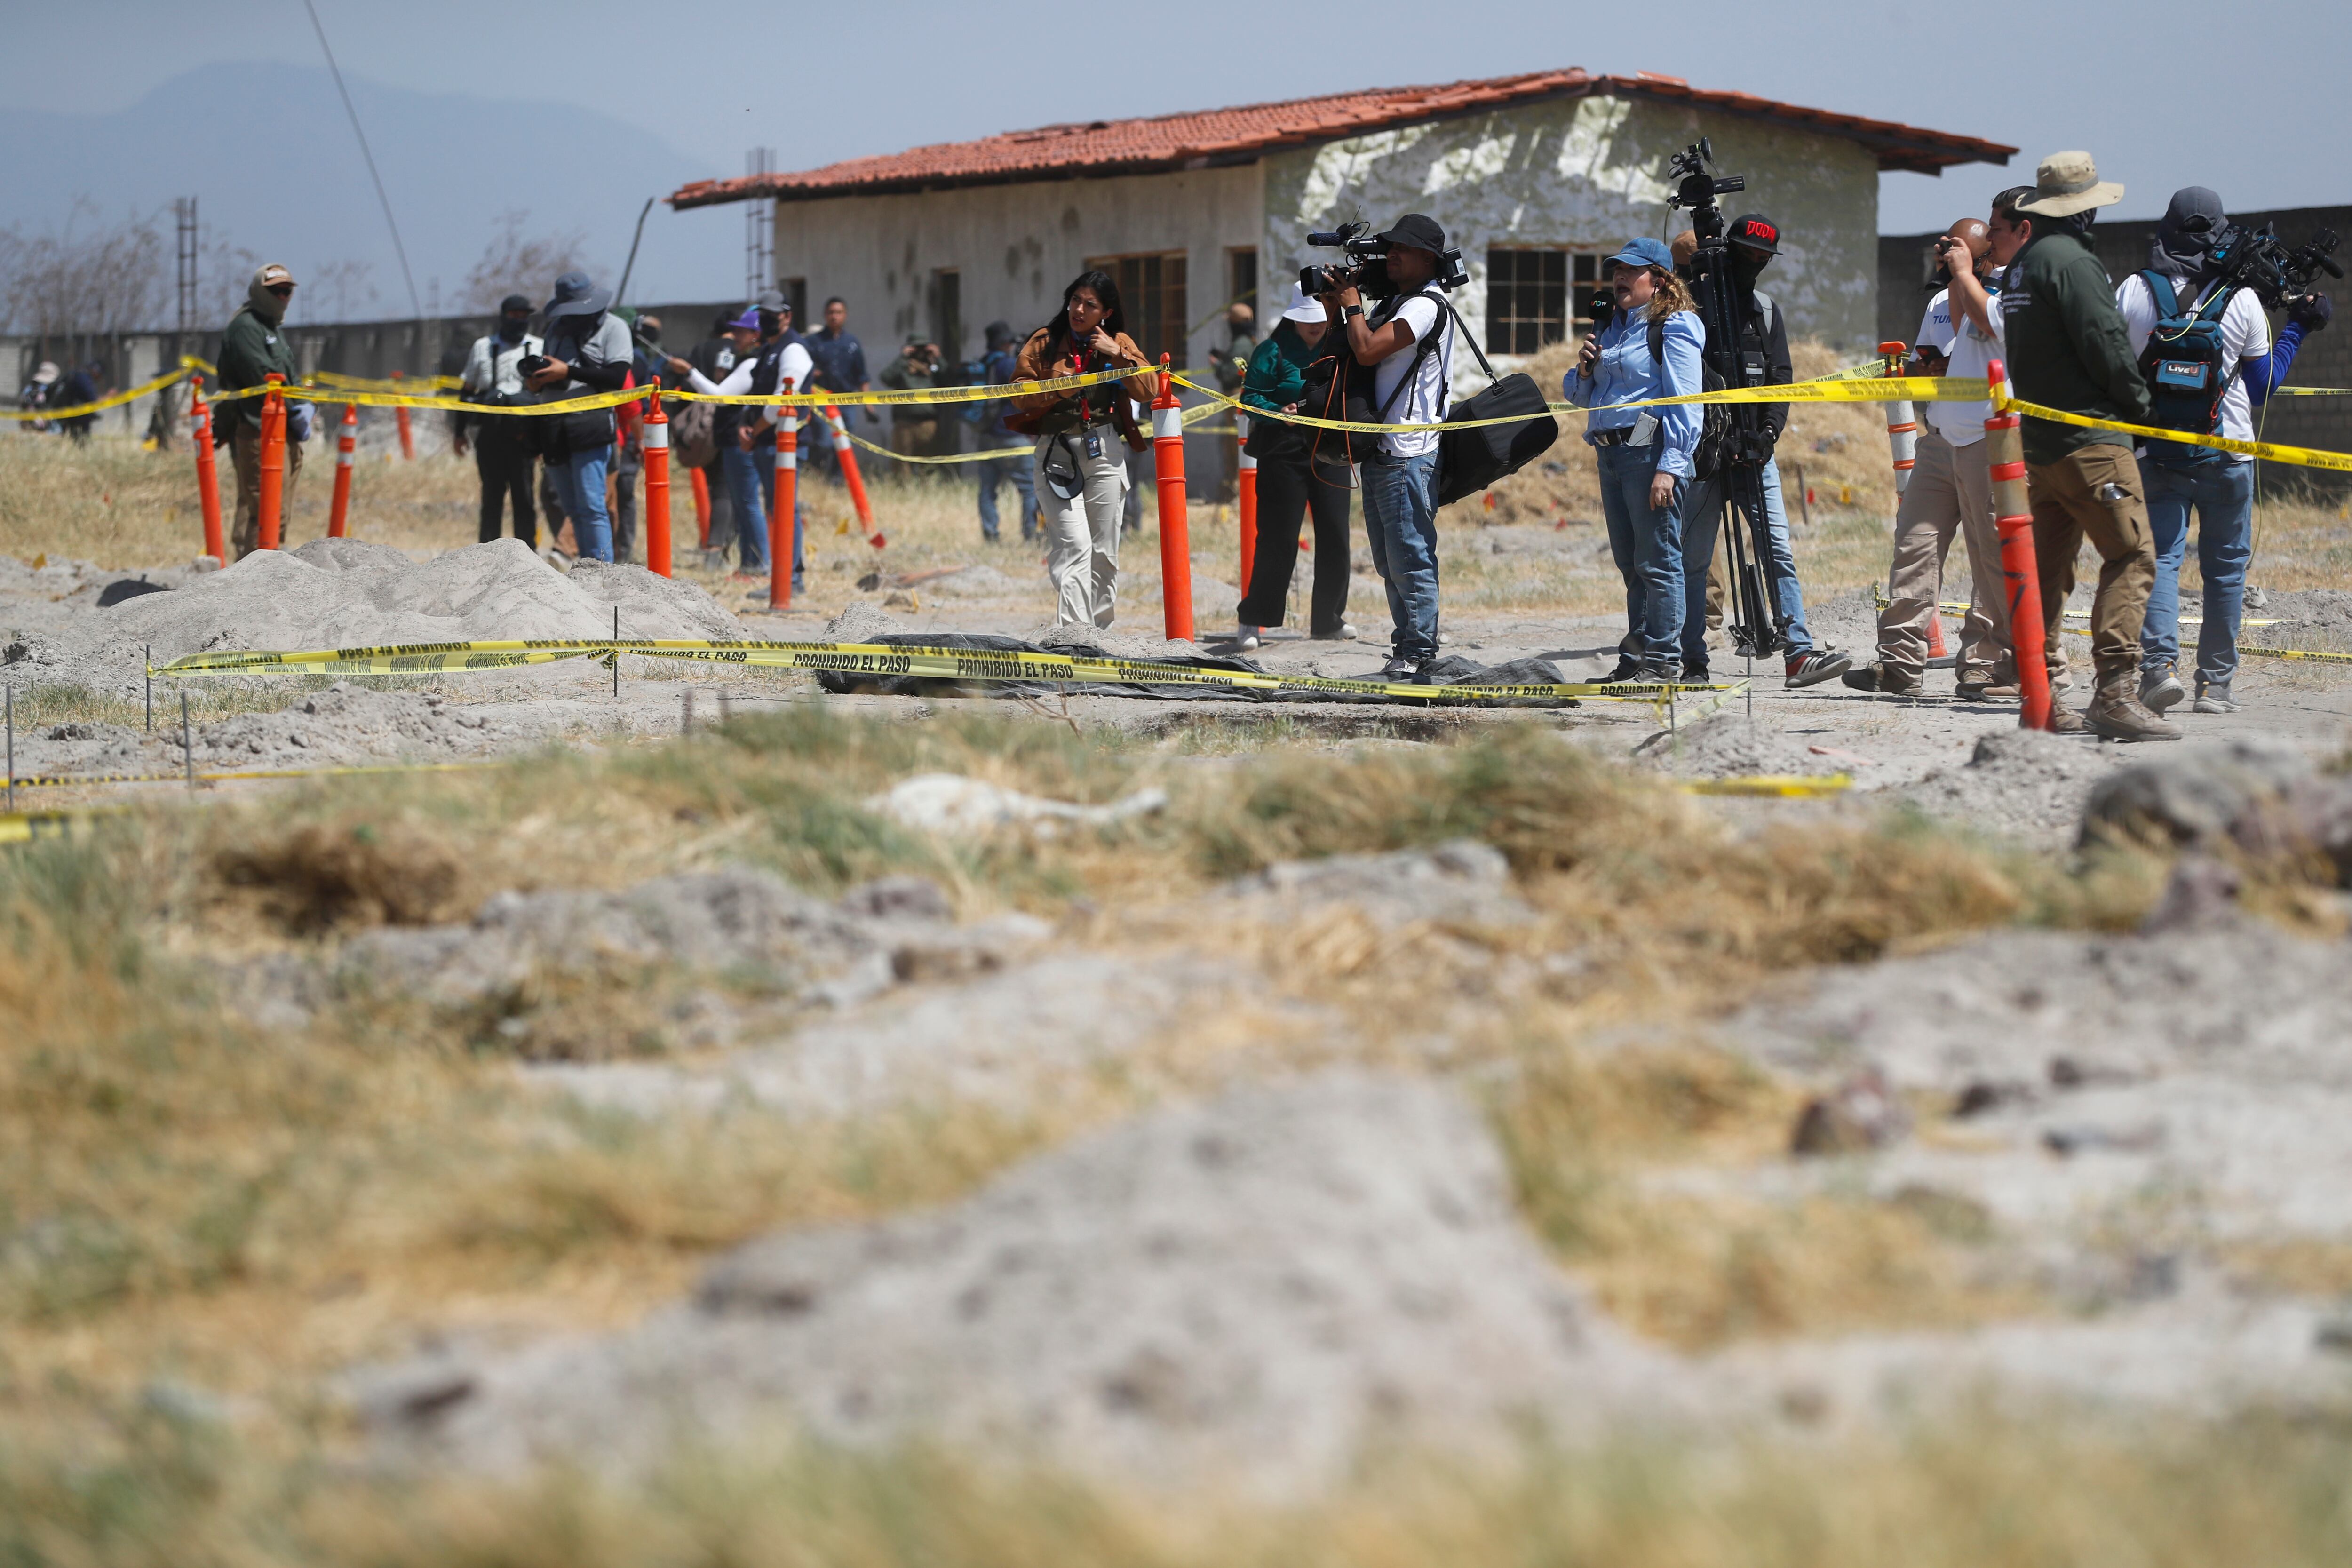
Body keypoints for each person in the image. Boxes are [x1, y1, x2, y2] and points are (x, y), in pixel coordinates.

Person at [2117, 186, 2331, 716]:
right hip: (2229, 456)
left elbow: (2114, 371)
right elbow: (2262, 389)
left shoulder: (2131, 291)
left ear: (2163, 231)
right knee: (2225, 572)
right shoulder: (2242, 303)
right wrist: (2297, 329)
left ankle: (2157, 670)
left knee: (2161, 561)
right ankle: (2214, 687)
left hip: (2156, 454)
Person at [2001, 151, 2174, 740]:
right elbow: (2103, 341)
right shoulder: (2073, 263)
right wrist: (2139, 406)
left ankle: (2040, 695)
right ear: (2084, 208)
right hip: (2090, 441)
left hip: (2040, 448)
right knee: (2131, 555)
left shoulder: (2024, 264)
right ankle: (2116, 691)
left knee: (2048, 572)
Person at [1844, 210, 2019, 698]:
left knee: (1990, 558)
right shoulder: (1942, 300)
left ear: (1985, 256)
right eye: (1944, 256)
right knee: (1913, 548)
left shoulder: (2007, 297)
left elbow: (1997, 338)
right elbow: (1928, 359)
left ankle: (1985, 664)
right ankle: (1899, 664)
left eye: (1957, 255)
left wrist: (1968, 283)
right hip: (1940, 438)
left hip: (1989, 440)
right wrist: (1924, 366)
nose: (1947, 264)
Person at [1675, 215, 1850, 686]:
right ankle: (1691, 659)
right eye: (1747, 254)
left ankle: (1798, 651)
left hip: (1756, 457)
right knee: (1693, 559)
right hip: (1703, 458)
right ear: (1727, 250)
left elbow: (1780, 379)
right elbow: (1682, 381)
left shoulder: (1766, 310)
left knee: (1777, 551)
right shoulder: (1690, 309)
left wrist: (1765, 435)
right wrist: (1717, 438)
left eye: (1763, 258)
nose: (1755, 264)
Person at [1566, 237, 1704, 681]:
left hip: (1650, 451)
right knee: (1631, 565)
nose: (1620, 277)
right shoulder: (1609, 328)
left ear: (1659, 280)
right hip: (1610, 453)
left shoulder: (1675, 326)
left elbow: (1686, 401)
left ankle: (1664, 661)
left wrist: (1670, 464)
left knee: (1659, 562)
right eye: (1616, 271)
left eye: (1632, 270)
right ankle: (1636, 658)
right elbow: (1575, 395)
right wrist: (1585, 368)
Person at [1327, 213, 1456, 681]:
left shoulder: (1424, 307)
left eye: (1402, 249)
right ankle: (1405, 645)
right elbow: (1346, 344)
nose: (1392, 256)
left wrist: (1352, 303)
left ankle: (1419, 649)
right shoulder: (1402, 302)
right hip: (1384, 452)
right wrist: (1338, 305)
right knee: (1389, 561)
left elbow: (1366, 350)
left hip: (1409, 451)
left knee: (1410, 557)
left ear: (1429, 259)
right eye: (1390, 249)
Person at [1011, 270, 1147, 627]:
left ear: (1106, 312)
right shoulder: (1045, 340)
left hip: (1104, 449)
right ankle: (1076, 636)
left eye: (1090, 304)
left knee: (1104, 553)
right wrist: (1058, 387)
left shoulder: (1119, 340)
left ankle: (1101, 634)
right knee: (1074, 546)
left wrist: (1117, 354)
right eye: (1075, 300)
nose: (1079, 309)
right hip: (1056, 450)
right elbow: (1018, 393)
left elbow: (1149, 388)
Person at [1232, 285, 1355, 647]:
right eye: (1308, 320)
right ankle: (1254, 620)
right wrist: (1278, 413)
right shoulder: (1271, 350)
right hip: (1283, 450)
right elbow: (1250, 399)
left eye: (1320, 319)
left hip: (1330, 448)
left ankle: (1328, 620)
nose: (1315, 326)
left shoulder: (1339, 343)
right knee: (1279, 537)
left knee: (1336, 534)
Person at [669, 301, 814, 589]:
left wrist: (690, 374)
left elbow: (730, 397)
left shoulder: (761, 360)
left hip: (755, 441)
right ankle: (759, 565)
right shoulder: (760, 360)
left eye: (744, 332)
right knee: (754, 504)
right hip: (752, 440)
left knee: (756, 505)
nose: (736, 337)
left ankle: (765, 566)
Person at [525, 269, 631, 564]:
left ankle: (602, 574)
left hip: (590, 424)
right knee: (571, 507)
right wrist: (539, 381)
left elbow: (617, 376)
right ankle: (585, 569)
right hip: (554, 426)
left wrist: (568, 371)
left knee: (592, 505)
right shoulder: (556, 329)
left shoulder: (614, 328)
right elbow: (556, 373)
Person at [218, 263, 305, 558]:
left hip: (283, 431)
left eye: (287, 291)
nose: (283, 297)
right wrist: (297, 407)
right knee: (267, 510)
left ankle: (254, 572)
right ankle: (251, 582)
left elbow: (286, 378)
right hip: (259, 430)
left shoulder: (271, 328)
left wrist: (302, 405)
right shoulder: (246, 327)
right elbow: (262, 376)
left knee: (275, 512)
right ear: (259, 291)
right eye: (276, 291)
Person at [453, 293, 542, 547]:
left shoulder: (538, 347)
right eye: (514, 316)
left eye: (524, 316)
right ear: (503, 317)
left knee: (524, 499)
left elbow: (546, 396)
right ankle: (487, 556)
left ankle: (528, 558)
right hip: (490, 434)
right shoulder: (483, 347)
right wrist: (459, 433)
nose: (519, 321)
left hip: (523, 435)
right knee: (491, 499)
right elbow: (467, 391)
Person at [970, 320, 1037, 542]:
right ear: (1005, 343)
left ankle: (991, 535)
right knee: (1030, 488)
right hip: (1013, 437)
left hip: (987, 436)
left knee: (988, 490)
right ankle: (1030, 535)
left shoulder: (983, 364)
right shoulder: (1008, 365)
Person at [805, 295, 868, 480]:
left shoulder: (852, 343)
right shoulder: (813, 342)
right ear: (825, 315)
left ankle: (835, 484)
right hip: (822, 400)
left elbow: (862, 375)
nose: (835, 317)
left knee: (843, 444)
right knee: (823, 442)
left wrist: (868, 404)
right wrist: (812, 373)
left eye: (839, 313)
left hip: (847, 400)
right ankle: (815, 476)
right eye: (831, 313)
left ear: (845, 315)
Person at [1210, 301, 1257, 501]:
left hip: (1235, 403)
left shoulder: (1239, 345)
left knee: (1233, 448)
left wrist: (1217, 365)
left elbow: (1229, 376)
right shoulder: (1250, 342)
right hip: (1246, 402)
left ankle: (1235, 493)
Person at [879, 335, 943, 464]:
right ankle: (903, 485)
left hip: (928, 423)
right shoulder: (903, 367)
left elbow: (950, 380)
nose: (920, 352)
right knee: (902, 463)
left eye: (923, 348)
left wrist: (938, 358)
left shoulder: (934, 368)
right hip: (904, 423)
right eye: (916, 348)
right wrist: (902, 358)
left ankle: (928, 485)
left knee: (928, 463)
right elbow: (885, 378)